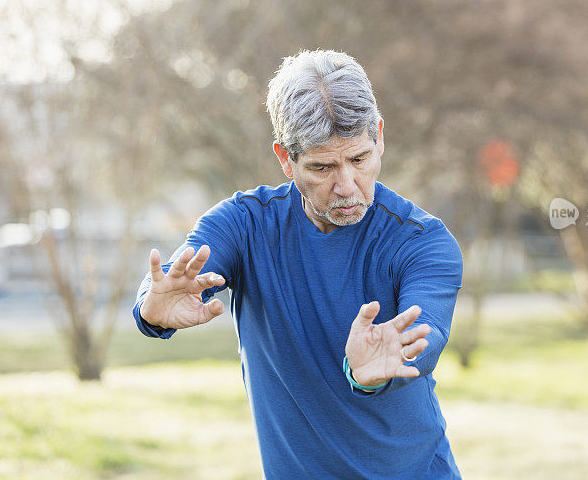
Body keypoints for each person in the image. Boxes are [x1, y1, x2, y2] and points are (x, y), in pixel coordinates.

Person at [133, 50, 464, 478]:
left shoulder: (423, 241)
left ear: (379, 136)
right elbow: (184, 271)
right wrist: (150, 309)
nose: (347, 187)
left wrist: (375, 370)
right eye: (323, 167)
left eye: (359, 159)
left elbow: (428, 332)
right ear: (286, 159)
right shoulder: (244, 223)